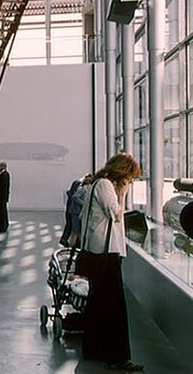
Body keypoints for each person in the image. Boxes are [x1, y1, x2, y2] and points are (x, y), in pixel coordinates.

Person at [79, 153, 142, 372]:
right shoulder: (105, 185)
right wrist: (122, 193)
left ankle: (94, 348)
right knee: (114, 305)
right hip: (105, 254)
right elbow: (116, 215)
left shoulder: (98, 184)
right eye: (130, 177)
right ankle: (117, 357)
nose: (130, 182)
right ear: (122, 172)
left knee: (98, 302)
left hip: (97, 252)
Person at [0, 161, 11, 232]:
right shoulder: (4, 174)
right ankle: (2, 225)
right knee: (1, 211)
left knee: (1, 212)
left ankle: (2, 226)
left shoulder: (4, 175)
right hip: (1, 196)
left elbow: (1, 186)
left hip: (1, 197)